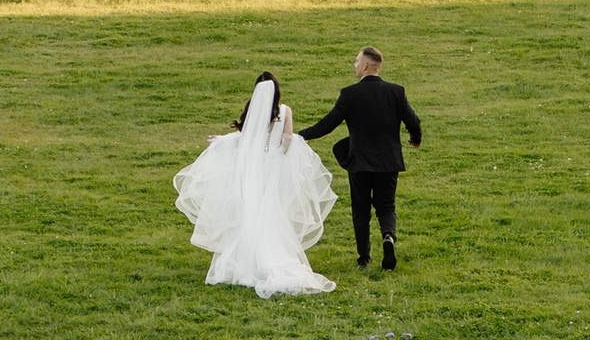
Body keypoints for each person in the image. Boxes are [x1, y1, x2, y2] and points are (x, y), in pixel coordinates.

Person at [174, 71, 338, 297]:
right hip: (274, 168)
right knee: (271, 211)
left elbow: (245, 138)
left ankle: (248, 261)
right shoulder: (284, 111)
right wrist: (288, 149)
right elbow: (288, 139)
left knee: (252, 210)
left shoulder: (253, 110)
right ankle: (272, 256)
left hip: (254, 168)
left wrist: (222, 140)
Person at [298, 46, 421, 271]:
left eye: (356, 62)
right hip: (388, 161)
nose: (355, 65)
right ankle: (388, 237)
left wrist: (300, 136)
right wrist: (416, 138)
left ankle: (364, 258)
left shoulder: (350, 94)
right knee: (386, 206)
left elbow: (328, 124)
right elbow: (413, 121)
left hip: (359, 162)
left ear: (365, 66)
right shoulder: (396, 92)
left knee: (360, 210)